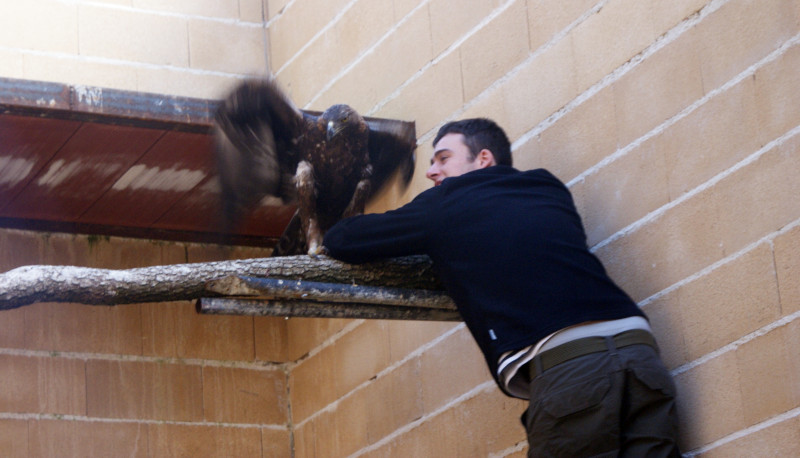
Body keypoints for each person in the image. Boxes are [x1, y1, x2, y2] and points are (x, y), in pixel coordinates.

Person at [323, 118, 680, 457]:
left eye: (444, 158)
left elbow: (344, 240)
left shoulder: (446, 202)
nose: (432, 171)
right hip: (640, 354)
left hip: (571, 366)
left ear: (484, 159)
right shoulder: (548, 187)